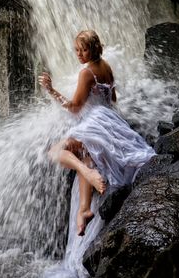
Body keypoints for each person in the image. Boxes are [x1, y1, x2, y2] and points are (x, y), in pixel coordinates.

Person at [38, 30, 155, 236]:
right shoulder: (106, 67)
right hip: (110, 120)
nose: (79, 54)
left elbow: (74, 107)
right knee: (86, 153)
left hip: (94, 120)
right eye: (77, 50)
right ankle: (84, 210)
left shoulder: (86, 73)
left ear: (93, 48)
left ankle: (88, 173)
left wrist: (51, 90)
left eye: (83, 49)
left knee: (55, 152)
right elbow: (113, 99)